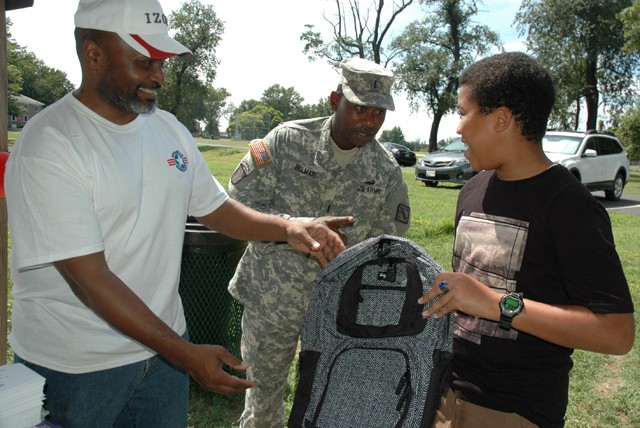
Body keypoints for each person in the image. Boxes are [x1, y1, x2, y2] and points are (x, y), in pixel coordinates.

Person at [4, 1, 351, 427]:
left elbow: (217, 209)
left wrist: (290, 227)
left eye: (163, 62)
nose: (159, 76)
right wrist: (186, 355)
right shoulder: (51, 144)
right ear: (93, 54)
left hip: (162, 352)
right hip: (77, 364)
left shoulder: (166, 128)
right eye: (145, 62)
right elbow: (89, 280)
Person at [419, 52, 635, 427]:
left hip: (515, 410)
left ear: (500, 118)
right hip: (447, 393)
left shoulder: (570, 207)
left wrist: (496, 303)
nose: (457, 128)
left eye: (463, 111)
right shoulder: (472, 190)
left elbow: (616, 333)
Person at [227, 57, 412, 427]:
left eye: (378, 113)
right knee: (262, 402)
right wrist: (296, 226)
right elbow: (237, 205)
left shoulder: (386, 170)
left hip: (336, 310)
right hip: (272, 300)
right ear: (334, 100)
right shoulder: (286, 141)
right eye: (360, 108)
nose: (369, 121)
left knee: (328, 403)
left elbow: (388, 243)